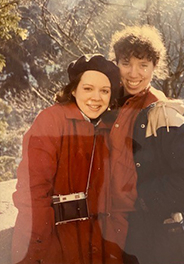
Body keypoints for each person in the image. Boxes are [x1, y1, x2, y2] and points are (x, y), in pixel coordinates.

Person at [11, 54, 123, 264]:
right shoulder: (51, 121)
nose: (96, 98)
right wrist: (38, 253)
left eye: (104, 91)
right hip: (56, 243)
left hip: (98, 246)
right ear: (73, 89)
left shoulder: (110, 129)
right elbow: (32, 192)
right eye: (88, 88)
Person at [108, 25, 184, 264]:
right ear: (115, 63)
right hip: (119, 234)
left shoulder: (162, 113)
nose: (133, 73)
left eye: (143, 65)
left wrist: (145, 199)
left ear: (154, 68)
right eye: (126, 63)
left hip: (158, 240)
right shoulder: (110, 107)